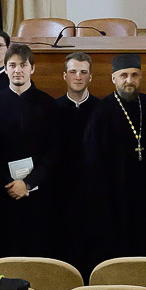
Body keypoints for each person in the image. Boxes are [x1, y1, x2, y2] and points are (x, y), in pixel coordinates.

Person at [83, 54, 146, 271]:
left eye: (134, 75)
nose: (129, 80)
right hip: (113, 197)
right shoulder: (101, 111)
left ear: (141, 77)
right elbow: (92, 160)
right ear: (113, 79)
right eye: (124, 75)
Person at [0, 43, 60, 259]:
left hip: (39, 192)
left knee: (39, 253)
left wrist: (28, 183)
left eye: (23, 65)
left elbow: (54, 151)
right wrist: (9, 183)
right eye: (12, 65)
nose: (18, 70)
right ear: (5, 68)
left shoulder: (48, 104)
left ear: (32, 68)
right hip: (4, 193)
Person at [53, 51, 104, 268]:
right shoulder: (52, 109)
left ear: (90, 77)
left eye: (83, 72)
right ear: (64, 76)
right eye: (73, 72)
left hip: (94, 191)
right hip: (61, 190)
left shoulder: (102, 109)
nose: (78, 77)